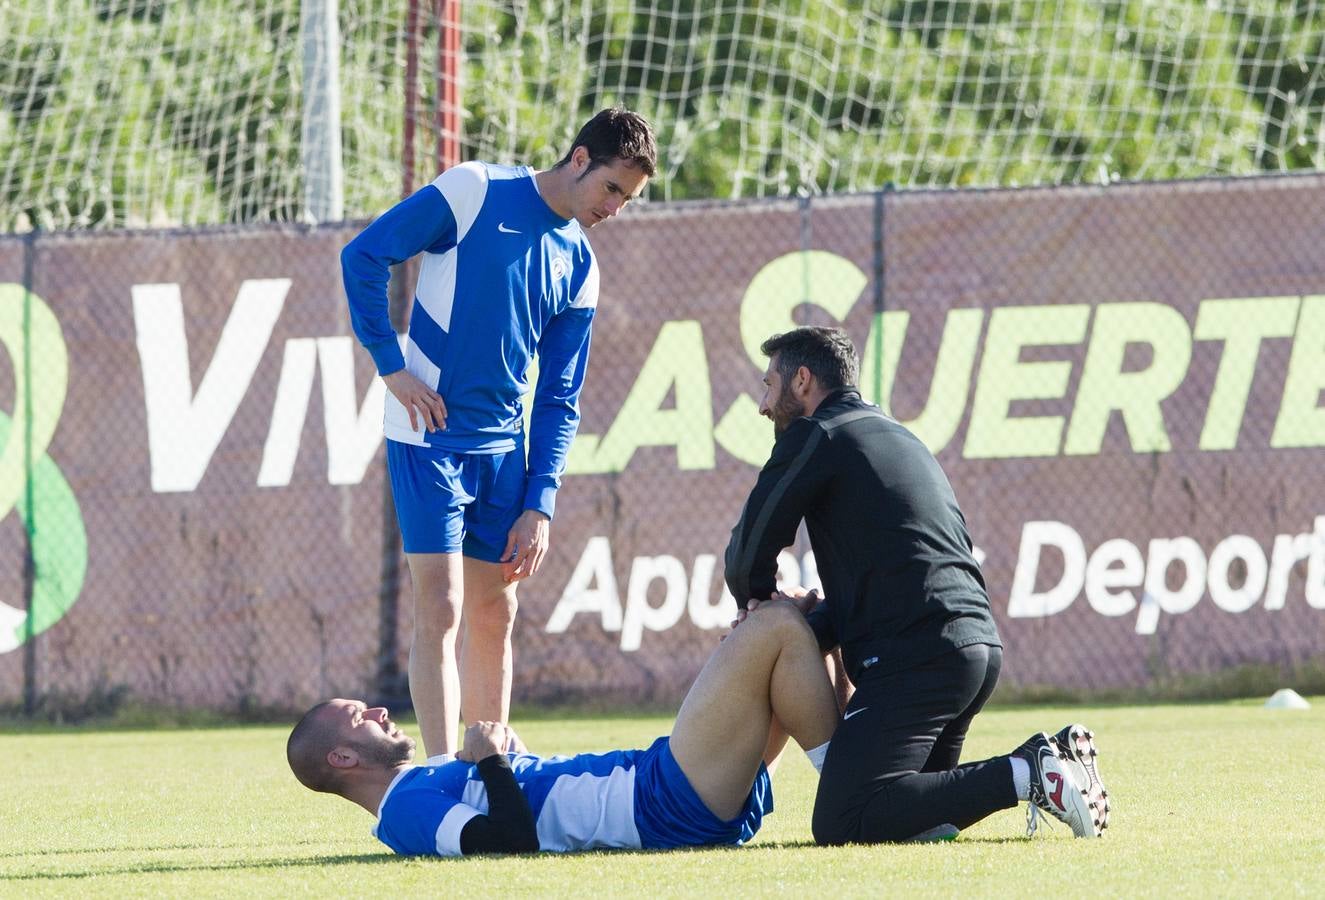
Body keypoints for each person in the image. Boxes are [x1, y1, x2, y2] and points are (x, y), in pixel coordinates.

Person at [341, 108, 657, 757]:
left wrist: (540, 502)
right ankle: (437, 775)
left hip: (505, 458)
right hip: (427, 440)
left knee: (496, 612)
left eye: (627, 198)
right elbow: (364, 255)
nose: (616, 208)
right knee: (444, 605)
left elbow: (560, 398)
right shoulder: (473, 191)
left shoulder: (581, 266)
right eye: (612, 189)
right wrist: (392, 368)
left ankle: (490, 768)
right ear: (578, 159)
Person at [724, 326, 1111, 842]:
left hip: (916, 658)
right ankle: (1048, 761)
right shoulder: (894, 434)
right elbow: (902, 572)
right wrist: (807, 629)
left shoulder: (819, 434)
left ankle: (1029, 771)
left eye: (768, 385)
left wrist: (756, 608)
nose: (762, 405)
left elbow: (751, 547)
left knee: (846, 820)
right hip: (972, 650)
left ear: (802, 380)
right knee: (915, 817)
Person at [286, 600, 838, 856]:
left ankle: (869, 772)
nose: (380, 712)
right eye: (361, 717)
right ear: (342, 759)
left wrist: (511, 757)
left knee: (805, 632)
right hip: (652, 801)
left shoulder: (419, 781)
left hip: (653, 786)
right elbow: (510, 843)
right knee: (775, 626)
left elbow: (526, 805)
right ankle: (849, 791)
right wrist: (491, 760)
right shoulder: (402, 811)